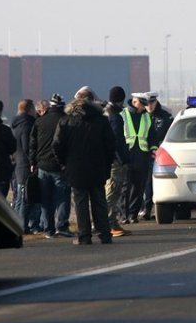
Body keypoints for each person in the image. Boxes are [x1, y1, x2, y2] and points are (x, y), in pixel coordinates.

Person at [53, 86, 115, 245]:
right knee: (99, 201)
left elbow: (57, 145)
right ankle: (104, 234)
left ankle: (84, 235)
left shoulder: (66, 121)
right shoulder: (101, 120)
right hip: (97, 166)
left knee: (80, 202)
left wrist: (64, 163)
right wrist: (107, 163)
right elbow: (110, 145)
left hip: (75, 167)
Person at [29, 93, 72, 238]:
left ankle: (48, 229)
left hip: (42, 165)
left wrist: (32, 162)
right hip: (60, 166)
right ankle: (62, 226)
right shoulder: (67, 121)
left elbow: (33, 145)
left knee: (45, 200)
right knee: (62, 197)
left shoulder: (39, 122)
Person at [122, 92, 158, 224]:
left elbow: (152, 136)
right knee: (125, 188)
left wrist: (153, 149)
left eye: (145, 105)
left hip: (142, 155)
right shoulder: (123, 115)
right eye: (142, 105)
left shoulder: (146, 117)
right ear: (135, 102)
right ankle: (124, 215)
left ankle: (133, 214)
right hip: (127, 155)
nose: (144, 107)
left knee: (139, 187)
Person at [104, 86, 132, 237]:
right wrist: (122, 159)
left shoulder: (105, 112)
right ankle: (108, 224)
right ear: (121, 100)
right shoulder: (114, 116)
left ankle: (112, 222)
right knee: (112, 193)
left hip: (107, 160)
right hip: (115, 162)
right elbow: (116, 141)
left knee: (111, 192)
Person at [141, 92, 173, 221]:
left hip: (160, 155)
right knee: (144, 183)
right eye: (147, 104)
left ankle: (153, 209)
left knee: (155, 183)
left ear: (155, 102)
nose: (149, 106)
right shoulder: (141, 116)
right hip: (144, 154)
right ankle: (144, 209)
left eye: (151, 103)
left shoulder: (165, 115)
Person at [11, 98, 39, 234]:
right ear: (29, 109)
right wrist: (33, 162)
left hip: (18, 165)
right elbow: (28, 147)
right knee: (25, 197)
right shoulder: (27, 125)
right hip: (26, 166)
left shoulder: (15, 125)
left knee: (20, 196)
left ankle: (16, 223)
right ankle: (21, 225)